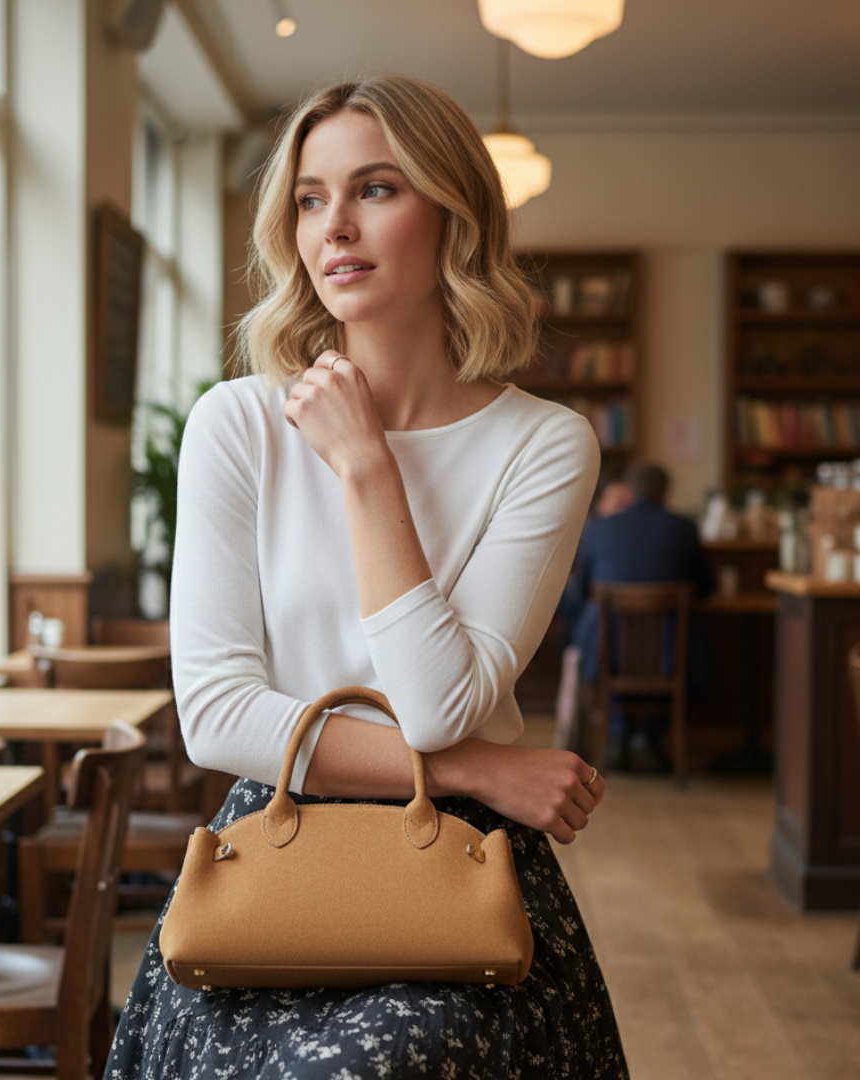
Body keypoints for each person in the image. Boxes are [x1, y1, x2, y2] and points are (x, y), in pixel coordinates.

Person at [107, 74, 628, 1078]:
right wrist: (478, 769)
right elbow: (216, 717)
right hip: (275, 847)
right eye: (310, 198)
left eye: (376, 189)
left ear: (454, 216)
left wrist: (365, 466)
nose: (333, 225)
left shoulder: (545, 446)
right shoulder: (239, 424)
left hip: (459, 874)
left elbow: (435, 705)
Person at [570, 461, 714, 767]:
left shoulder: (599, 528)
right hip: (670, 656)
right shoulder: (684, 528)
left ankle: (620, 733)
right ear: (666, 494)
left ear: (629, 493)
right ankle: (646, 736)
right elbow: (706, 587)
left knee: (601, 633)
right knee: (677, 639)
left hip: (609, 654)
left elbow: (583, 592)